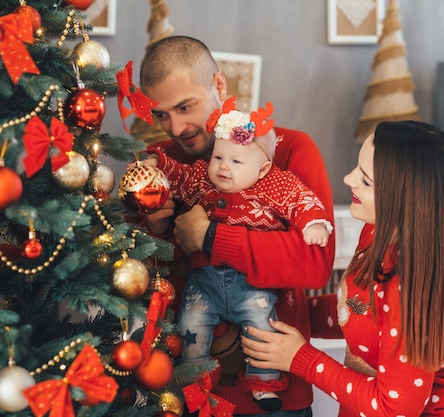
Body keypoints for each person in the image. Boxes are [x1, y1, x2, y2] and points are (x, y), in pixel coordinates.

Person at [139, 35, 335, 416]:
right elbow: (135, 283)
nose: (175, 127)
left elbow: (315, 263)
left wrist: (211, 236)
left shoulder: (290, 150)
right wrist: (156, 231)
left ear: (218, 85)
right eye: (161, 114)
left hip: (276, 401)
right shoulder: (162, 165)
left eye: (185, 106)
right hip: (184, 395)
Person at [240, 121, 444, 417]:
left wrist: (300, 358)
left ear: (405, 198)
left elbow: (394, 407)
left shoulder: (412, 286)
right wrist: (289, 315)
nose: (348, 179)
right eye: (357, 169)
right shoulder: (376, 233)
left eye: (366, 181)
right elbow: (360, 311)